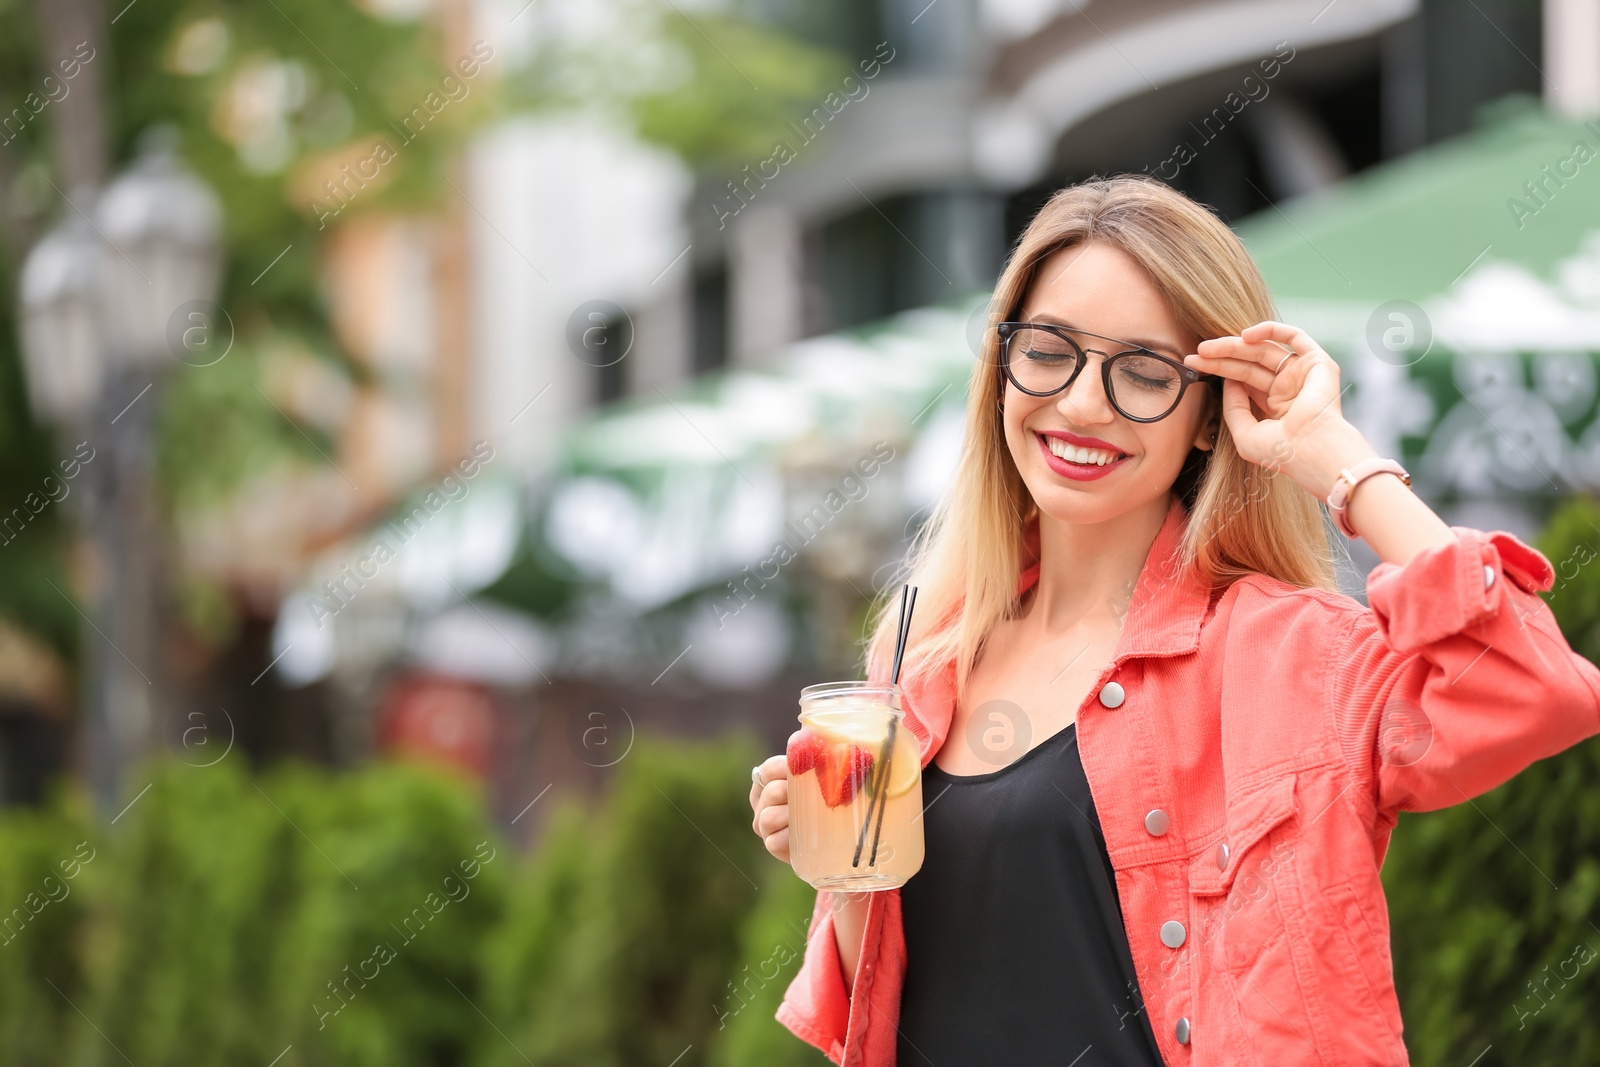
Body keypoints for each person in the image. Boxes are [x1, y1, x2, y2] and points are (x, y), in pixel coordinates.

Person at [746, 175, 1600, 1066]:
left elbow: (1532, 687)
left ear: (1207, 417)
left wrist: (1339, 463)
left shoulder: (1285, 653)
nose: (1081, 403)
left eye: (1145, 372)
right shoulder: (921, 657)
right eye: (1049, 351)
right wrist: (841, 874)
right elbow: (890, 1022)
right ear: (1003, 365)